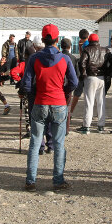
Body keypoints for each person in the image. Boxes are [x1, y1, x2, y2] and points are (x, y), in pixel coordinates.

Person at [21, 24, 78, 191]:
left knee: (35, 141)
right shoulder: (65, 59)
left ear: (43, 39)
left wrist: (34, 93)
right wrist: (63, 91)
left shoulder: (34, 58)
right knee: (59, 143)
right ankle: (58, 180)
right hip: (59, 103)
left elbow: (26, 83)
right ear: (57, 40)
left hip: (40, 102)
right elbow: (74, 82)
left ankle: (31, 180)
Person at [77, 33, 107, 133]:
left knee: (89, 102)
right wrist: (107, 72)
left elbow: (82, 63)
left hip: (90, 77)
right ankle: (101, 126)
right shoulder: (104, 50)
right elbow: (111, 60)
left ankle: (87, 126)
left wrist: (84, 74)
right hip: (101, 77)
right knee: (101, 101)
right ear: (98, 40)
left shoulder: (87, 50)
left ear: (89, 40)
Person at [67, 29, 90, 130]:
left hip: (83, 72)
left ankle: (70, 113)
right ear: (88, 36)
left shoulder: (85, 45)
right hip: (91, 73)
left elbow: (82, 58)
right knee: (88, 97)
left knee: (77, 94)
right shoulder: (89, 44)